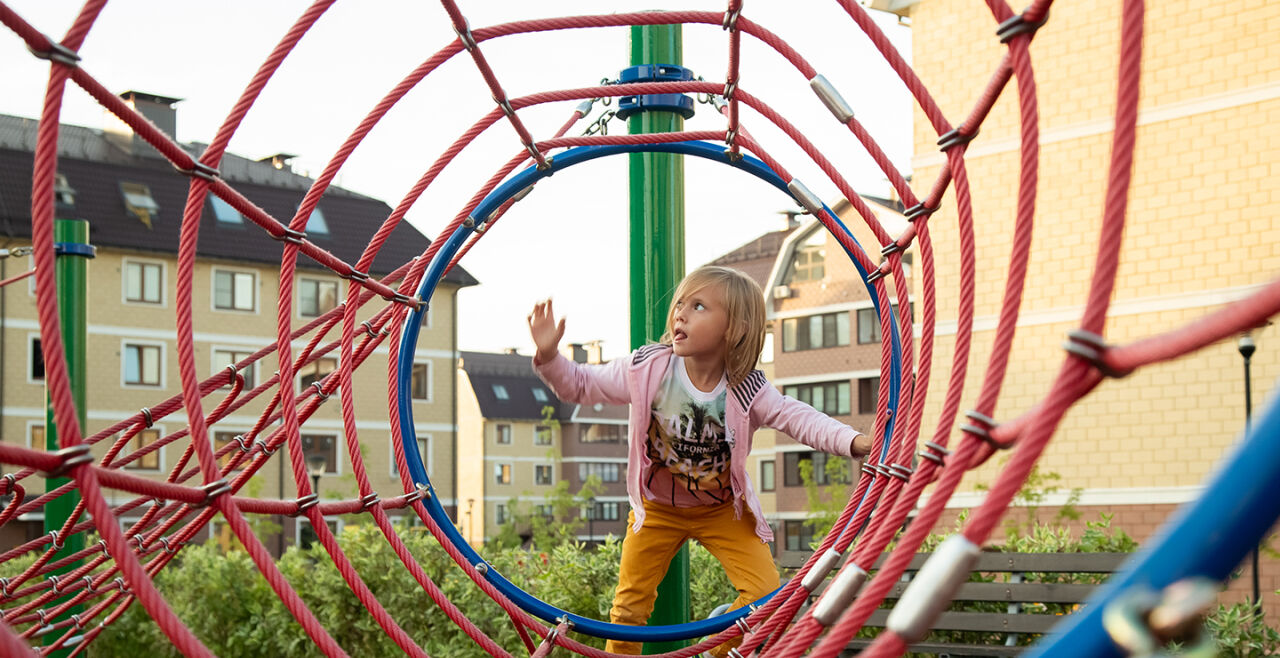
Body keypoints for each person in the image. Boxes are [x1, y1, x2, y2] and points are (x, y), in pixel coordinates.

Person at [528, 265, 872, 657]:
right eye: (680, 304)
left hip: (722, 510)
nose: (680, 313)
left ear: (734, 327)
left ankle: (717, 652)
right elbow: (583, 384)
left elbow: (799, 418)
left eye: (698, 306)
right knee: (628, 610)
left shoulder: (747, 387)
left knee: (765, 595)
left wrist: (854, 441)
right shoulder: (649, 369)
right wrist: (550, 356)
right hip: (658, 510)